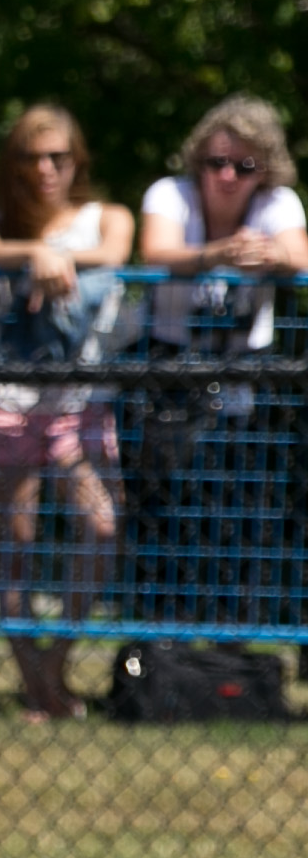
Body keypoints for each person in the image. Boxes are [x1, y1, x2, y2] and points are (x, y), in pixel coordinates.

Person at [0, 106, 131, 718]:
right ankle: (36, 684)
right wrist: (36, 251)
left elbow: (114, 251)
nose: (46, 169)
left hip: (78, 406)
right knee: (15, 543)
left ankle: (55, 663)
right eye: (33, 157)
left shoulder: (107, 216)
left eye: (58, 156)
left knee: (101, 525)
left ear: (76, 160)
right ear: (15, 164)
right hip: (4, 400)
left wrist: (52, 258)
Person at [127, 96, 308, 632]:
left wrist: (273, 257)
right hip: (168, 367)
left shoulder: (279, 204)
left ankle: (231, 639)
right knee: (164, 504)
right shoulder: (170, 194)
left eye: (244, 166)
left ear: (266, 169)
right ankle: (163, 633)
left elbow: (300, 255)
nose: (228, 175)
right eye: (216, 163)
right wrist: (219, 253)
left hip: (245, 371)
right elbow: (154, 253)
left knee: (241, 505)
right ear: (198, 161)